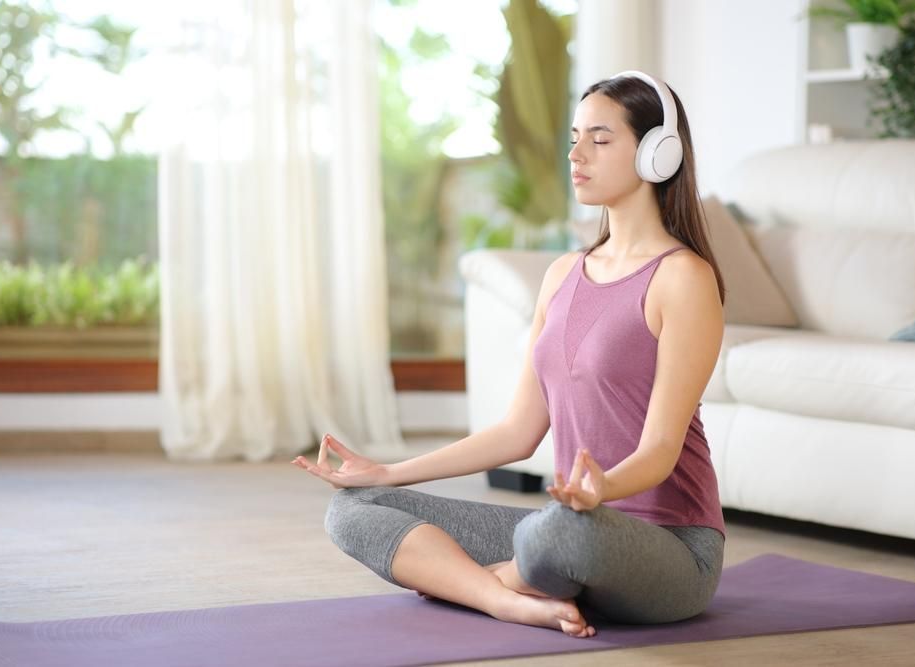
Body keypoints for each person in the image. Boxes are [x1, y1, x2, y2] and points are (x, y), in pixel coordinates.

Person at [292, 70, 727, 639]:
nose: (576, 154)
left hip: (669, 548)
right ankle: (506, 599)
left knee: (556, 533)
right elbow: (519, 433)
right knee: (354, 509)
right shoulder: (561, 275)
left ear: (657, 155)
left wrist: (600, 491)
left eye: (599, 139)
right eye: (574, 137)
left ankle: (490, 579)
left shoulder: (683, 278)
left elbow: (661, 451)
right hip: (573, 522)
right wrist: (388, 472)